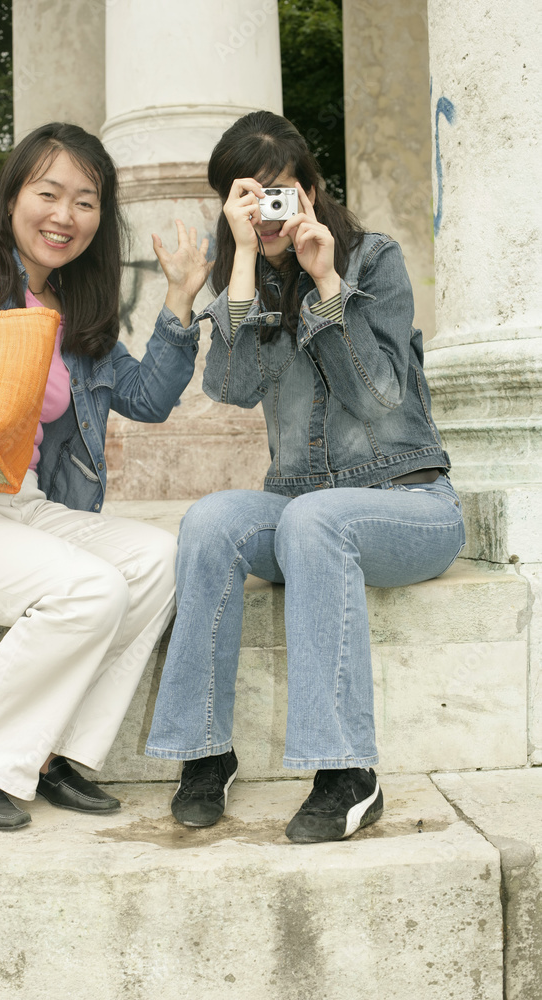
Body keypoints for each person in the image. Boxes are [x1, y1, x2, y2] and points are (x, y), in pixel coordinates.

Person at [0, 122, 211, 830]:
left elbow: (147, 398)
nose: (64, 216)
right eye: (48, 192)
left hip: (15, 502)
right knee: (86, 589)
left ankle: (54, 754)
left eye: (85, 201)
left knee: (157, 558)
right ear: (14, 193)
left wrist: (179, 299)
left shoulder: (73, 307)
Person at [145, 111, 465, 843]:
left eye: (280, 191)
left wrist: (324, 282)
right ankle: (203, 752)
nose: (267, 211)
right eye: (245, 196)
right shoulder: (251, 279)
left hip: (408, 504)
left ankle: (347, 772)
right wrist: (236, 268)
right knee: (210, 520)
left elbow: (381, 398)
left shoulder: (373, 260)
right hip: (300, 512)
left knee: (314, 518)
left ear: (313, 192)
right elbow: (228, 386)